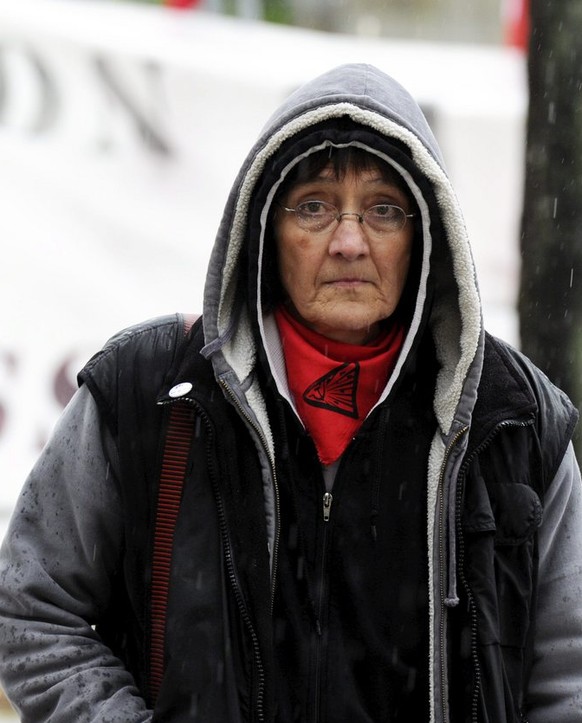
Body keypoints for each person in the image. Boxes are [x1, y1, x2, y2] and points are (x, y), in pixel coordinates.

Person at [0, 63, 581, 723]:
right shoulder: (148, 391)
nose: (349, 242)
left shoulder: (516, 425)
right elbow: (33, 608)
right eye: (314, 206)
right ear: (264, 230)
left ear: (426, 234)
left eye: (384, 209)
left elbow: (570, 678)